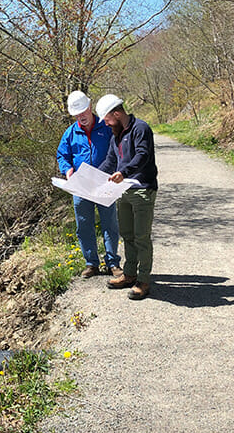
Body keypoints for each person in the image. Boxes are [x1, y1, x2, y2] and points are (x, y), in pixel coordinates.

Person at [95, 94, 158, 300]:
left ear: (116, 112)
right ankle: (129, 274)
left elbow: (143, 155)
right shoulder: (116, 135)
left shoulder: (141, 128)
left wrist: (125, 172)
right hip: (123, 191)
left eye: (106, 118)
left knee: (141, 237)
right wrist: (91, 178)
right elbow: (110, 161)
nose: (104, 122)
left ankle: (144, 280)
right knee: (128, 235)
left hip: (142, 189)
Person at [56, 90, 122, 278]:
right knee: (84, 225)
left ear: (90, 106)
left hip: (106, 183)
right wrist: (67, 170)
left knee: (110, 224)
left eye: (83, 112)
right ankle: (91, 263)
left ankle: (113, 263)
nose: (81, 116)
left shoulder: (107, 126)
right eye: (77, 114)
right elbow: (62, 155)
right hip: (81, 186)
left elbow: (120, 148)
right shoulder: (70, 133)